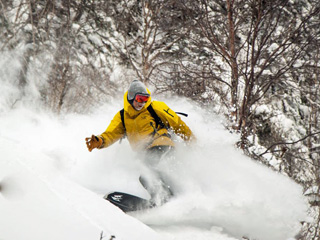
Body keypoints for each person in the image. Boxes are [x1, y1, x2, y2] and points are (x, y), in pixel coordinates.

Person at [85, 80, 195, 207]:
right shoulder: (122, 116)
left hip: (162, 143)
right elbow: (111, 134)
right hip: (144, 151)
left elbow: (177, 123)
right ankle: (168, 197)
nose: (142, 103)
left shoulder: (155, 107)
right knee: (146, 175)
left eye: (145, 99)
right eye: (139, 99)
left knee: (148, 172)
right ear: (131, 97)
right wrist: (99, 141)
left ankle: (165, 199)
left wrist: (191, 140)